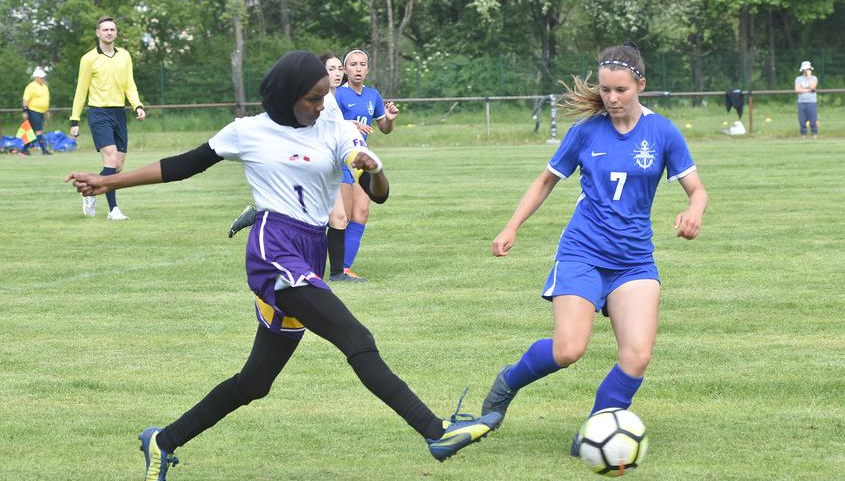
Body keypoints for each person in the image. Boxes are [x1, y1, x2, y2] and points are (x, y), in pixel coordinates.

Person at [66, 51, 501, 480]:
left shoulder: (333, 124)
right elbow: (183, 165)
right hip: (275, 249)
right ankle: (436, 431)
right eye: (311, 98)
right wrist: (108, 180)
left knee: (255, 382)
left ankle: (162, 441)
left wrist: (372, 168)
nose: (319, 104)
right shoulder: (247, 131)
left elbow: (378, 191)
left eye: (322, 96)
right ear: (287, 94)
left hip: (309, 250)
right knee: (356, 336)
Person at [479, 42, 708, 456]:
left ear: (641, 84)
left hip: (634, 261)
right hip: (583, 252)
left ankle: (594, 433)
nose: (612, 98)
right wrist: (512, 226)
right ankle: (508, 382)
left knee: (636, 356)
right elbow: (546, 180)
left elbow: (697, 190)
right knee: (569, 350)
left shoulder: (663, 133)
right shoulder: (585, 132)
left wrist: (694, 210)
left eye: (620, 90)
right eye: (605, 90)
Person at [228, 52, 356, 282]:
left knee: (329, 217)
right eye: (330, 69)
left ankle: (260, 215)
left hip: (325, 167)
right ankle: (336, 273)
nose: (336, 73)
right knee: (338, 217)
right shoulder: (321, 98)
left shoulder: (332, 99)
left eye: (339, 69)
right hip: (314, 166)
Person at [69, 15, 146, 220]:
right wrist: (74, 119)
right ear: (98, 33)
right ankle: (113, 210)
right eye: (105, 30)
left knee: (117, 167)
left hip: (119, 113)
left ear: (116, 33)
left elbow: (129, 84)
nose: (109, 33)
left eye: (112, 29)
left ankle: (89, 189)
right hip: (98, 113)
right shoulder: (88, 59)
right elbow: (81, 90)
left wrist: (137, 105)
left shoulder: (125, 56)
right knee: (110, 158)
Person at [334, 49, 400, 281]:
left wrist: (389, 120)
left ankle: (343, 267)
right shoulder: (338, 95)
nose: (358, 68)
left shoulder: (373, 95)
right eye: (353, 64)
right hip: (341, 160)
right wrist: (349, 125)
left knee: (361, 212)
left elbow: (384, 128)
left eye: (362, 64)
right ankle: (331, 266)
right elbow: (328, 124)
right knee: (340, 217)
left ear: (368, 68)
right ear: (345, 70)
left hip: (361, 160)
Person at [21, 67, 52, 155]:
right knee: (38, 131)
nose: (43, 79)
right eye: (41, 77)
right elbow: (25, 100)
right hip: (33, 111)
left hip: (41, 111)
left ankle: (24, 150)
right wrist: (25, 111)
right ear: (36, 78)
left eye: (43, 77)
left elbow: (45, 99)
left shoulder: (45, 86)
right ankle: (44, 150)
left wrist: (47, 110)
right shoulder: (31, 87)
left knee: (33, 132)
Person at [794, 61, 819, 138]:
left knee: (813, 119)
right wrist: (808, 90)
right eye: (805, 69)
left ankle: (814, 134)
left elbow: (813, 87)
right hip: (801, 102)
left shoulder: (814, 78)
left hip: (811, 102)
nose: (806, 71)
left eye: (808, 69)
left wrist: (809, 77)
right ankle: (803, 134)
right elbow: (797, 90)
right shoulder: (798, 79)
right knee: (802, 120)